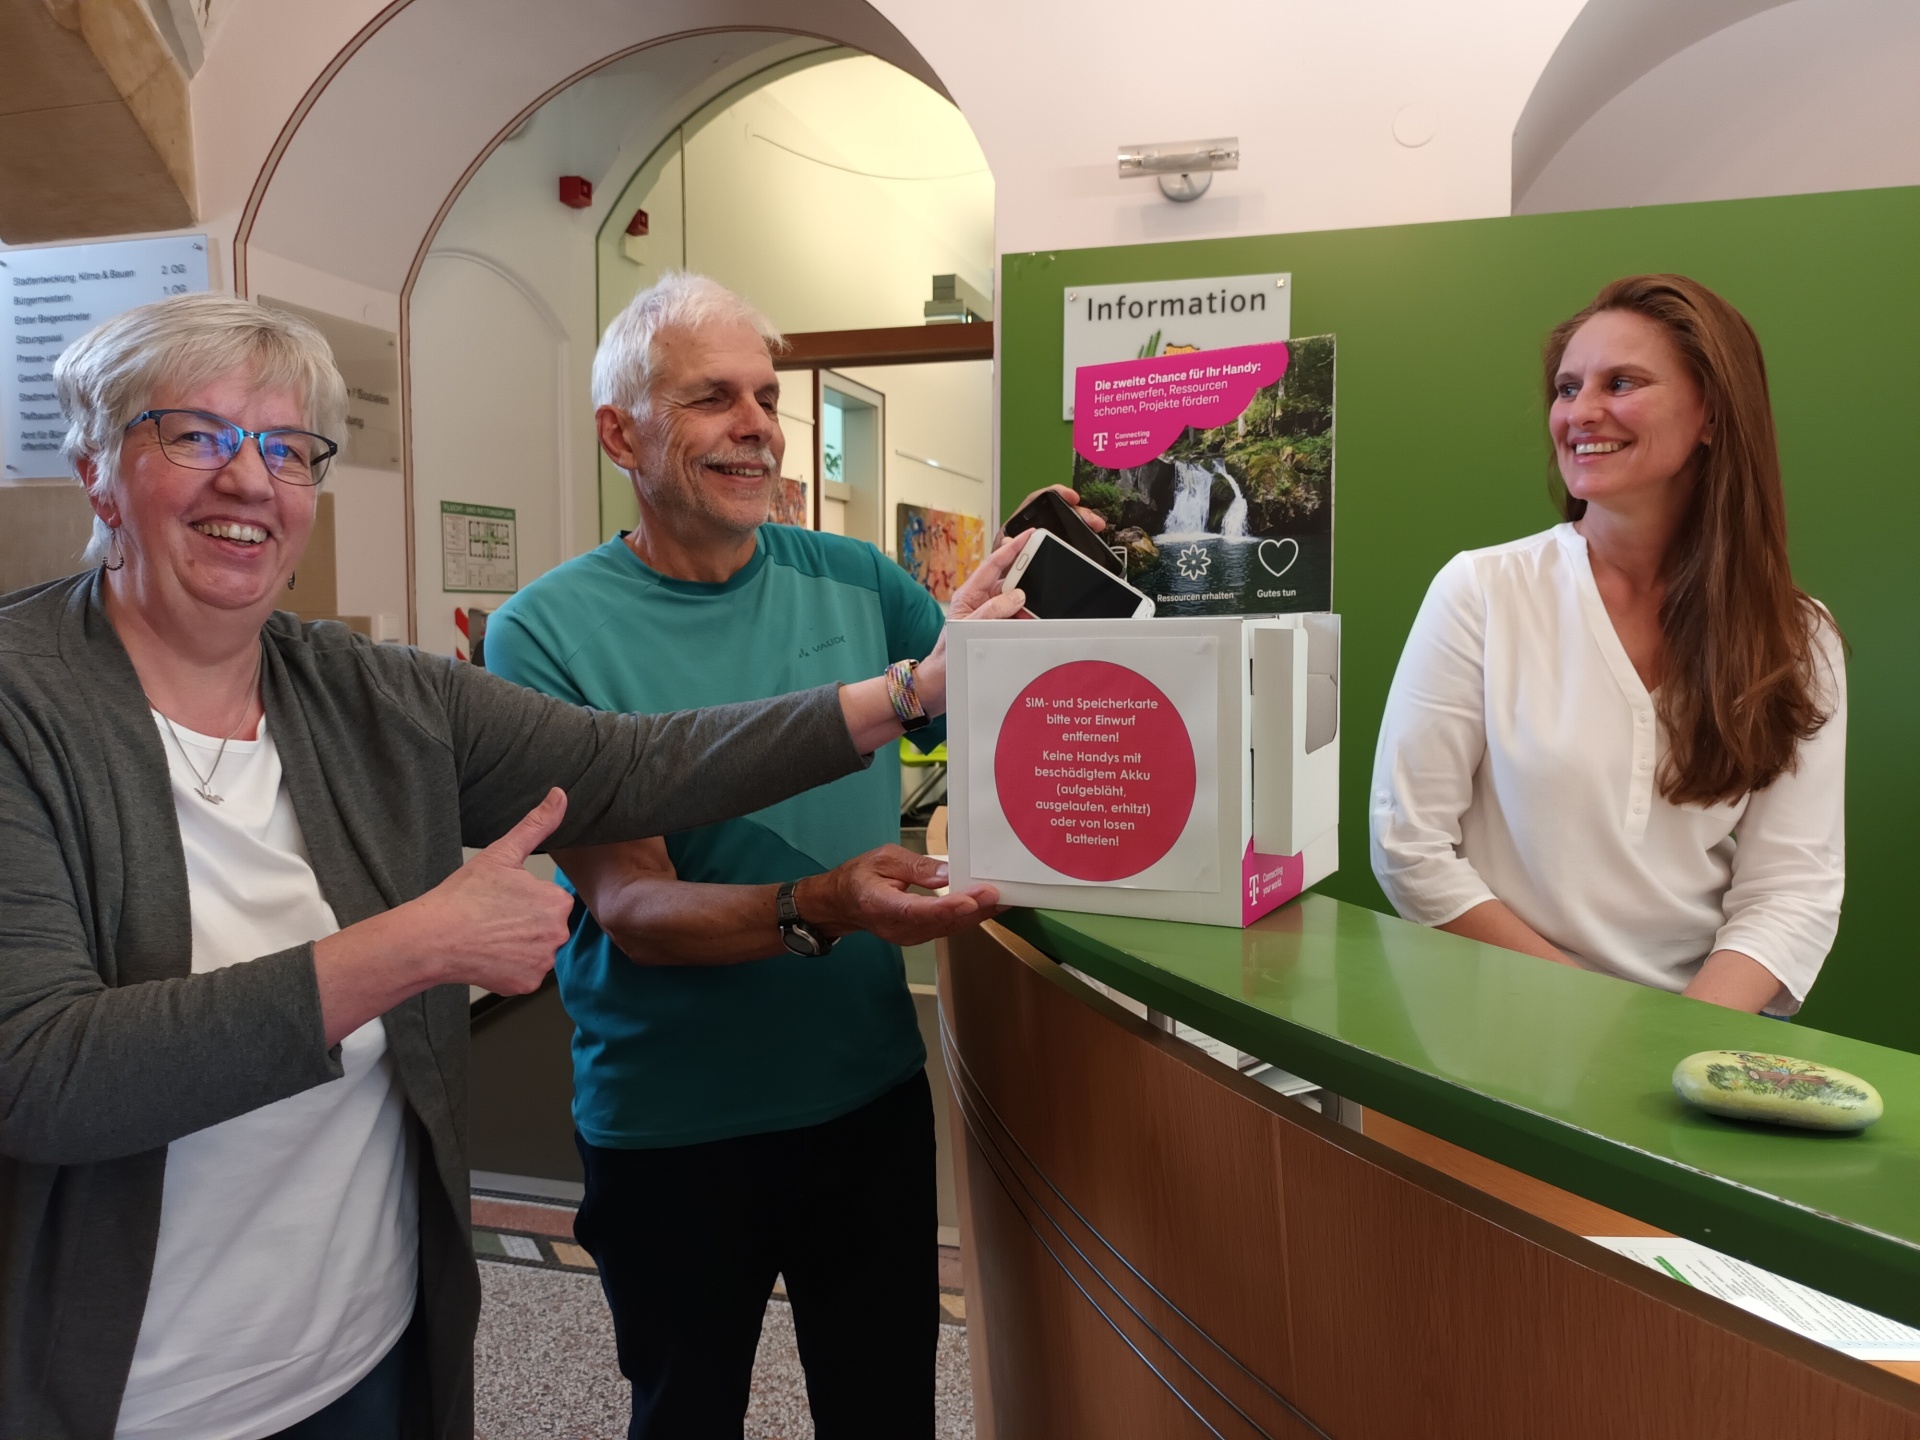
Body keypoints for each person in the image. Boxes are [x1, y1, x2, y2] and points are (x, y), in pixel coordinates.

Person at [0, 292, 1013, 1440]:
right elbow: (37, 1072)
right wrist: (412, 948)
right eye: (197, 435)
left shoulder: (356, 690)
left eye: (287, 449)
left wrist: (910, 691)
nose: (250, 480)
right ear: (96, 467)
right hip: (143, 1388)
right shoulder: (24, 709)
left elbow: (636, 763)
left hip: (371, 1343)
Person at [484, 271, 1099, 1438]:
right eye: (713, 397)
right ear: (621, 431)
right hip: (670, 1121)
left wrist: (1024, 590)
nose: (758, 424)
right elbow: (632, 906)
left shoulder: (855, 579)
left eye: (766, 395)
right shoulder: (544, 634)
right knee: (685, 1412)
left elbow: (978, 707)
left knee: (883, 1414)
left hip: (861, 1095)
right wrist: (824, 905)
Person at [1369, 274, 1845, 1015]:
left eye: (1621, 382)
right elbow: (1411, 848)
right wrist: (1597, 1026)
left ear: (1712, 416)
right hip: (1493, 1030)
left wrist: (1671, 1048)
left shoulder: (1798, 638)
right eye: (1566, 388)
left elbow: (1791, 892)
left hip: (1693, 1044)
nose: (1581, 412)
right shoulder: (1483, 592)